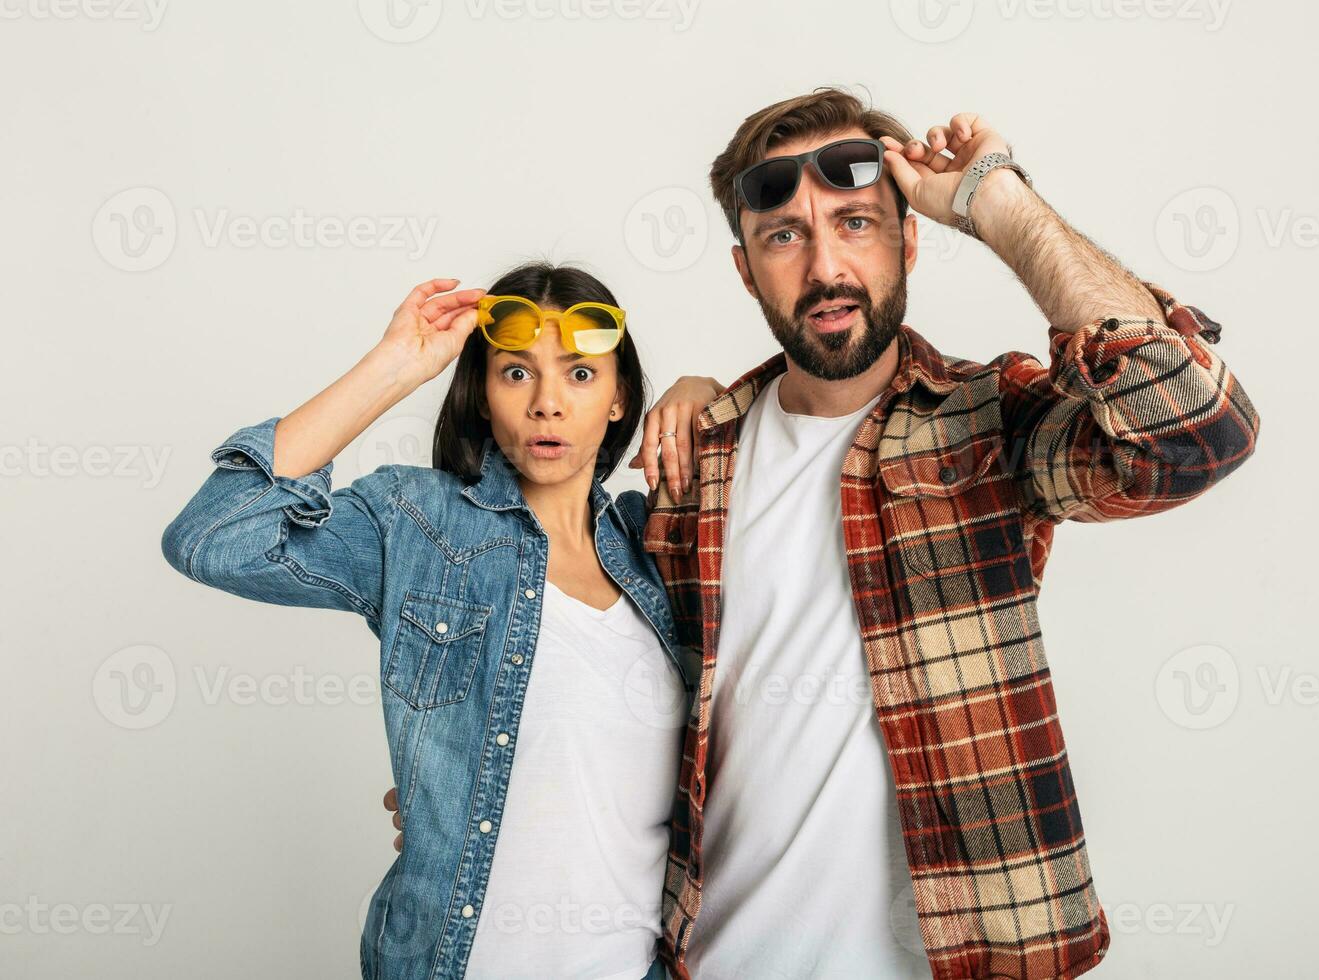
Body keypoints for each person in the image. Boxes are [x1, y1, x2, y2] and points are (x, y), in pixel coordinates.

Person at [633, 89, 1261, 979]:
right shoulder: (692, 461)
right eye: (785, 236)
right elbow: (594, 685)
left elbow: (1198, 430)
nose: (825, 267)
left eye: (856, 222)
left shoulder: (990, 427)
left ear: (911, 239)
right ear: (745, 271)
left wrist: (998, 204)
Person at [160, 261, 721, 980]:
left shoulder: (659, 548)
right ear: (482, 395)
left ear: (619, 400)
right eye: (516, 374)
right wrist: (397, 366)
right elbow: (213, 538)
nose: (547, 403)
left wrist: (708, 393)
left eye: (580, 375)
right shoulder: (417, 522)